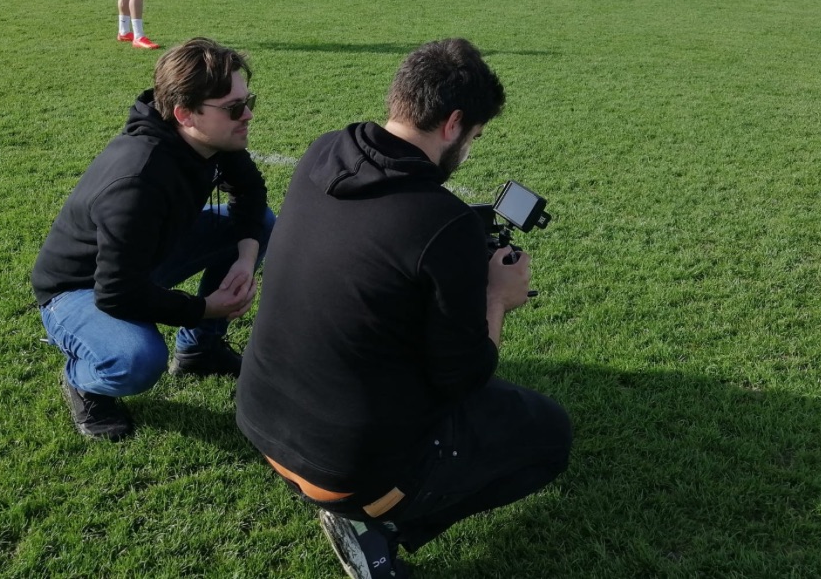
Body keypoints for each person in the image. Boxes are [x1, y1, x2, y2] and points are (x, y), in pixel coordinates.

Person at [237, 39, 572, 579]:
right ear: (453, 123)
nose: (469, 149)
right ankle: (382, 527)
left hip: (257, 418)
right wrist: (497, 296)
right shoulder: (444, 222)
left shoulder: (324, 151)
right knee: (549, 433)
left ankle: (370, 512)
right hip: (345, 471)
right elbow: (463, 376)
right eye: (475, 137)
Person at [31, 37, 275, 441]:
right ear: (184, 113)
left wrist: (245, 261)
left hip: (144, 258)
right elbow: (117, 293)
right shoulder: (137, 181)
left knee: (259, 223)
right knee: (136, 360)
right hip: (80, 287)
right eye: (234, 108)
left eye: (248, 101)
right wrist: (204, 308)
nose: (247, 114)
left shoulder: (213, 138)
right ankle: (85, 381)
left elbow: (250, 193)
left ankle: (200, 351)